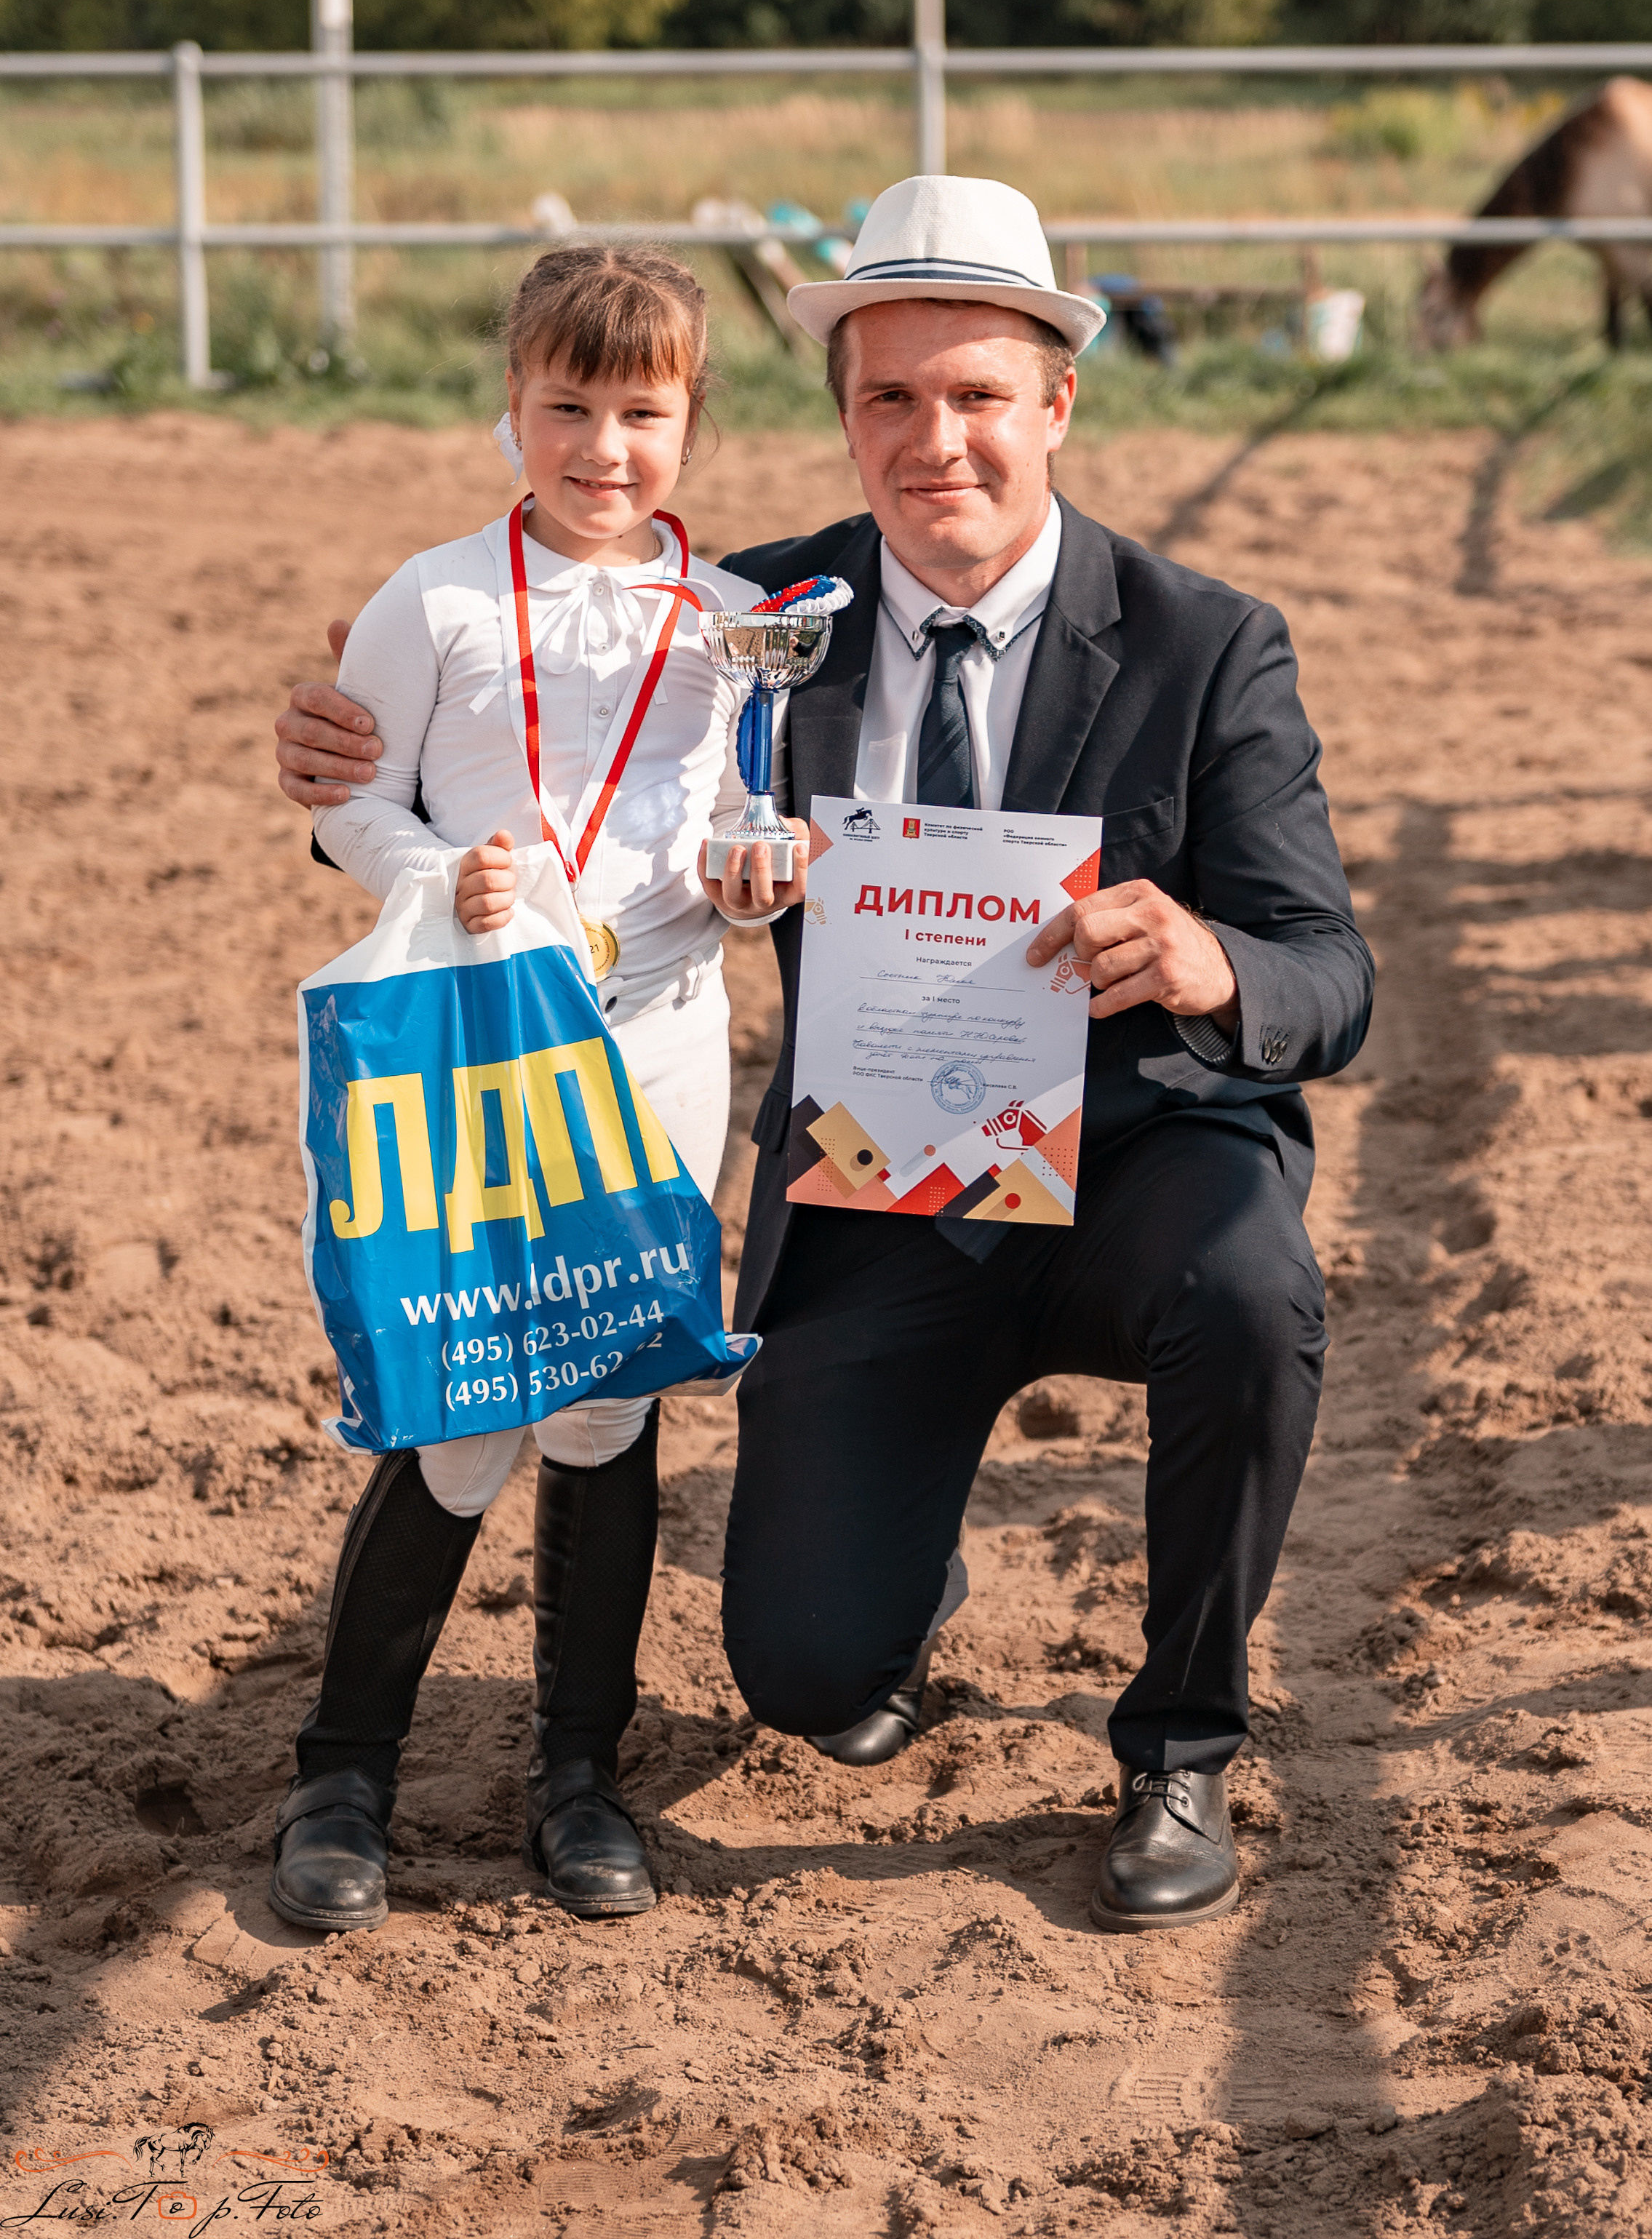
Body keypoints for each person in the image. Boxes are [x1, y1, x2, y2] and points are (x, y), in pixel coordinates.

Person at [276, 177, 1375, 1934]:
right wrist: (341, 750)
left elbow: (1334, 974)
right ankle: (891, 1578)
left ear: (1055, 404)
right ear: (841, 415)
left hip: (1136, 1162)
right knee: (799, 1671)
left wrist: (1204, 956)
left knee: (1250, 1296)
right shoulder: (750, 611)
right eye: (887, 398)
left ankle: (1178, 1739)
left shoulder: (1205, 639)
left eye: (977, 395)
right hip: (882, 1188)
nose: (934, 439)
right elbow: (537, 657)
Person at [266, 243, 806, 1936]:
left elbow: (734, 812)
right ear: (510, 404)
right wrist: (440, 873)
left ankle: (580, 1776)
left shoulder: (727, 622)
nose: (601, 447)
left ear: (688, 424)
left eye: (640, 412)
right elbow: (355, 804)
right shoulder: (430, 597)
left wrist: (747, 873)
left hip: (656, 1037)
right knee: (464, 1393)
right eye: (565, 407)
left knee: (608, 1394)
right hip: (478, 1037)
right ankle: (341, 1768)